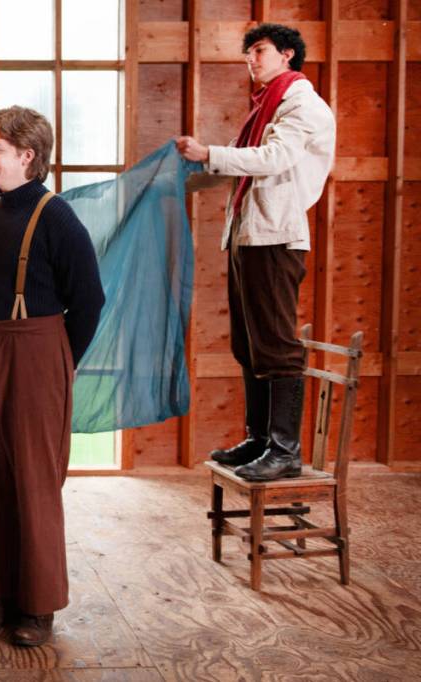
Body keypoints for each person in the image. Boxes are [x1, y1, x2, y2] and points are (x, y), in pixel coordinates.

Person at [0, 106, 104, 646]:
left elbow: (89, 300)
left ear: (27, 155)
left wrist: (60, 363)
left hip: (37, 353)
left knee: (34, 482)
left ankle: (38, 606)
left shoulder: (57, 217)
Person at [176, 23, 335, 482]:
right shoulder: (266, 106)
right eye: (248, 53)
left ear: (287, 54)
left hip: (276, 238)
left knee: (277, 345)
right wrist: (179, 179)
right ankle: (260, 439)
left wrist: (207, 152)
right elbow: (236, 165)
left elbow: (273, 159)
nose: (251, 59)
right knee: (249, 345)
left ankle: (285, 450)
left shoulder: (302, 103)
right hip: (248, 237)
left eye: (259, 50)